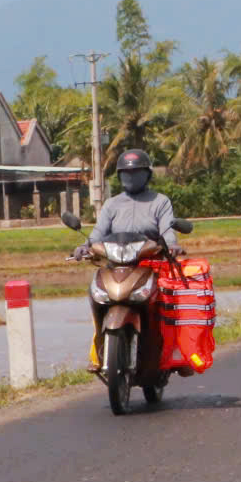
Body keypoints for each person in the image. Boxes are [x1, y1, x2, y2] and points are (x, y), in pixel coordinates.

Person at [74, 148, 179, 370]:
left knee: (162, 305)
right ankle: (100, 349)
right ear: (120, 176)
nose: (131, 177)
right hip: (116, 265)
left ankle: (163, 351)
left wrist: (173, 246)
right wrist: (85, 246)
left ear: (147, 174)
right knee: (97, 296)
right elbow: (98, 232)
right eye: (126, 173)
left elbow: (168, 231)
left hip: (149, 266)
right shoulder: (112, 204)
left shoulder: (160, 201)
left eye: (137, 173)